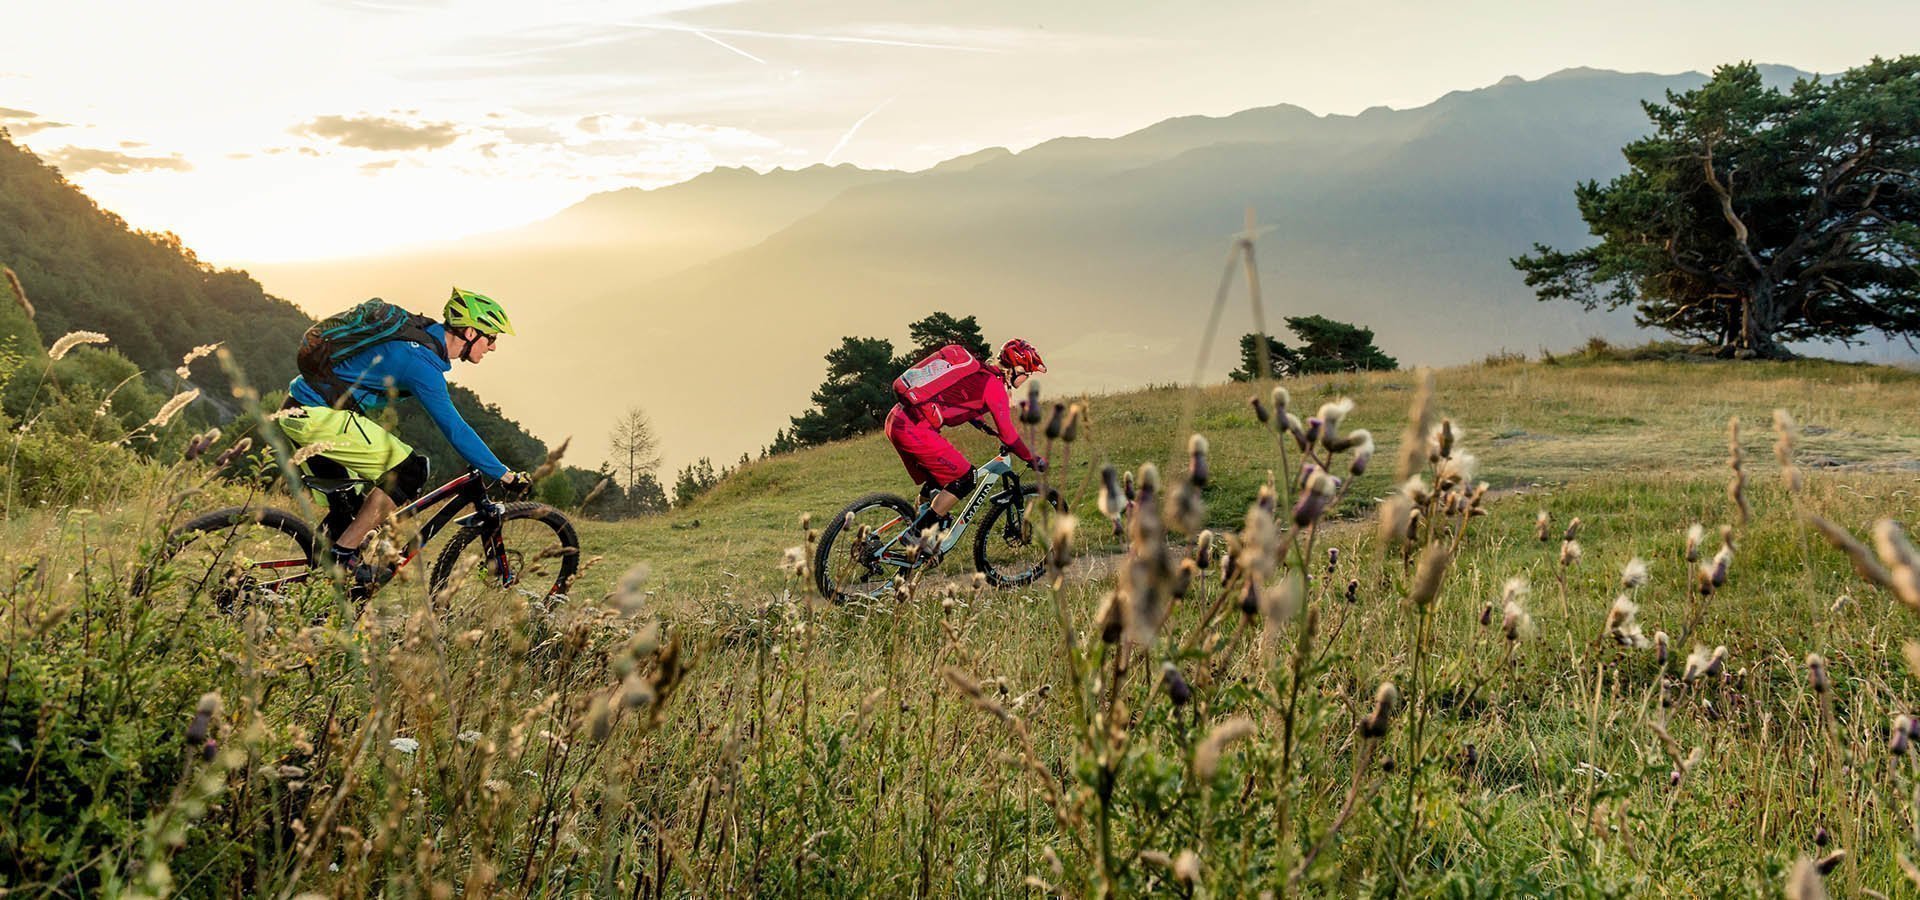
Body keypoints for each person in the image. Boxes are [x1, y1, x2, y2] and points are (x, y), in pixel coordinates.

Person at [279, 287, 529, 586]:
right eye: (492, 338)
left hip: (296, 408)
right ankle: (344, 558)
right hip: (318, 417)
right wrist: (503, 474)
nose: (493, 347)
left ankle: (309, 588)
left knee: (350, 511)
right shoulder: (420, 363)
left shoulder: (419, 335)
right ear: (471, 332)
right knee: (409, 471)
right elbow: (455, 429)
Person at [884, 338, 1048, 542]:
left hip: (896, 419)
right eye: (1026, 373)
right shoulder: (994, 386)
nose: (1026, 379)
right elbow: (1009, 435)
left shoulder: (979, 372)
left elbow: (958, 397)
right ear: (1015, 368)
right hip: (915, 430)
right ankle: (918, 537)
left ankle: (919, 517)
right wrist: (1033, 458)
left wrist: (979, 422)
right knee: (965, 478)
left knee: (938, 478)